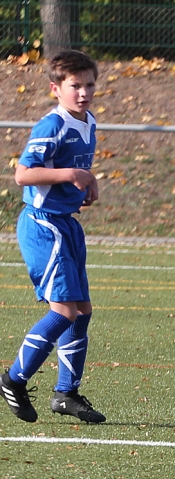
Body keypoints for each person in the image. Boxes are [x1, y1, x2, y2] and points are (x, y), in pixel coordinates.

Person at [1, 50, 105, 424]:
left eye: (89, 84)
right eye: (75, 85)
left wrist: (88, 182)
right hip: (43, 225)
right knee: (64, 311)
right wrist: (70, 176)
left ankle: (65, 393)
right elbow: (23, 175)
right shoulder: (52, 125)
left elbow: (75, 168)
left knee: (82, 312)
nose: (84, 92)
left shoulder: (89, 121)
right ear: (56, 88)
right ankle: (13, 379)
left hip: (66, 224)